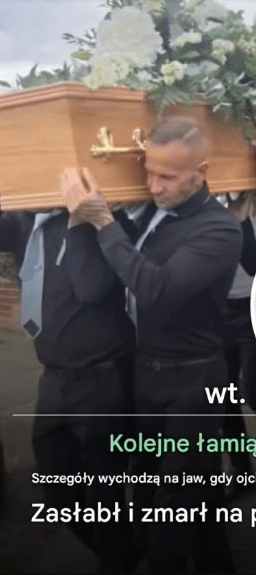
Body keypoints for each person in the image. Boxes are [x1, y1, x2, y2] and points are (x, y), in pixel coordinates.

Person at [59, 116, 243, 574]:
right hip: (146, 374)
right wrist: (94, 216)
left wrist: (104, 221)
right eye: (149, 173)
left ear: (201, 172)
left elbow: (154, 289)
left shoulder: (219, 229)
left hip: (195, 380)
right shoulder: (150, 214)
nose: (154, 186)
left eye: (167, 177)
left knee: (173, 507)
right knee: (167, 495)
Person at [0, 203, 136, 572]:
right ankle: (126, 551)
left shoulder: (101, 222)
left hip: (101, 380)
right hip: (54, 380)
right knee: (57, 487)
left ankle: (118, 560)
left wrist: (77, 219)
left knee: (105, 493)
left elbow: (91, 289)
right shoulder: (25, 220)